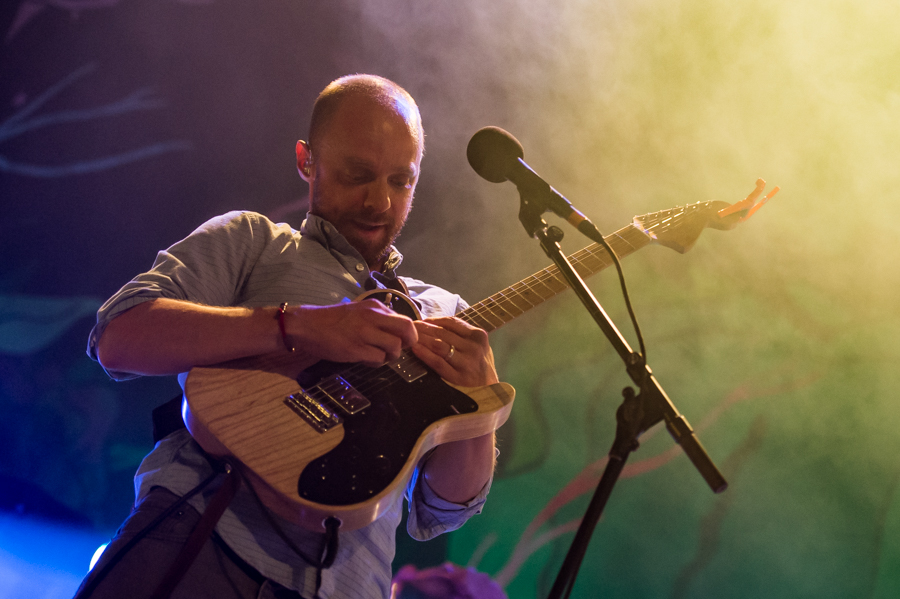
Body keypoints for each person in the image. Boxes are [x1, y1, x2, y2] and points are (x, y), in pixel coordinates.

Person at [75, 74, 500, 599]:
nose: (380, 202)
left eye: (400, 181)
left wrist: (480, 411)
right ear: (307, 161)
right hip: (195, 545)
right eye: (358, 174)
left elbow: (442, 511)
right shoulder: (252, 241)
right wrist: (296, 325)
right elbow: (120, 336)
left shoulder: (444, 312)